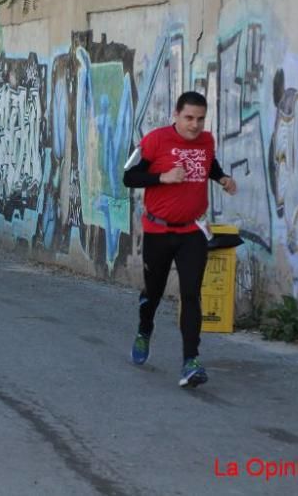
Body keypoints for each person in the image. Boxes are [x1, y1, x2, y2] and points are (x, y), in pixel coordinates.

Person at [122, 91, 237, 388]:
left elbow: (208, 164)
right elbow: (129, 177)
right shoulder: (155, 140)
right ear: (176, 115)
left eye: (200, 119)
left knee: (191, 294)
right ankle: (144, 330)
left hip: (192, 231)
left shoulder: (207, 141)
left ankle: (191, 361)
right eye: (189, 118)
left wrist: (221, 178)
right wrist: (162, 178)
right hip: (158, 231)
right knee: (154, 292)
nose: (194, 125)